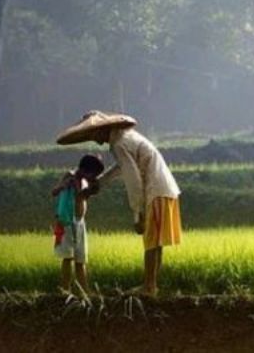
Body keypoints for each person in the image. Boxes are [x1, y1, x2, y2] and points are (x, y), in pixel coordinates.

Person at [56, 111, 182, 296]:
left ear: (103, 129)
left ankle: (148, 286)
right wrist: (99, 183)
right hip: (165, 188)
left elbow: (133, 179)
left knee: (150, 240)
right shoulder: (126, 137)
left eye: (94, 134)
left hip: (155, 189)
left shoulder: (119, 144)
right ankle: (152, 285)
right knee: (156, 242)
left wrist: (137, 213)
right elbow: (122, 167)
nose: (96, 140)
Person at [51, 153, 104, 293]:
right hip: (67, 222)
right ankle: (65, 291)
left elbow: (82, 196)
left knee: (81, 259)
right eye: (93, 174)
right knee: (68, 258)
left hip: (80, 223)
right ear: (86, 170)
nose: (94, 178)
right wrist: (65, 185)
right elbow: (54, 192)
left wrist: (90, 188)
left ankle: (84, 293)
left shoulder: (85, 182)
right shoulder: (70, 175)